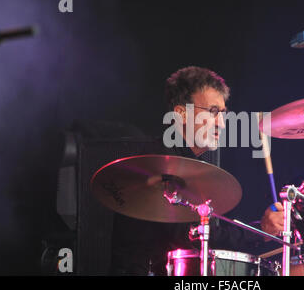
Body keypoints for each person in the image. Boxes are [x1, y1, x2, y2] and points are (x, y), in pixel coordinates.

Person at [110, 66, 284, 276]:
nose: (221, 123)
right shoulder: (162, 165)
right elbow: (193, 237)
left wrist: (261, 230)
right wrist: (260, 232)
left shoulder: (189, 165)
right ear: (182, 114)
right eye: (212, 112)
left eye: (223, 113)